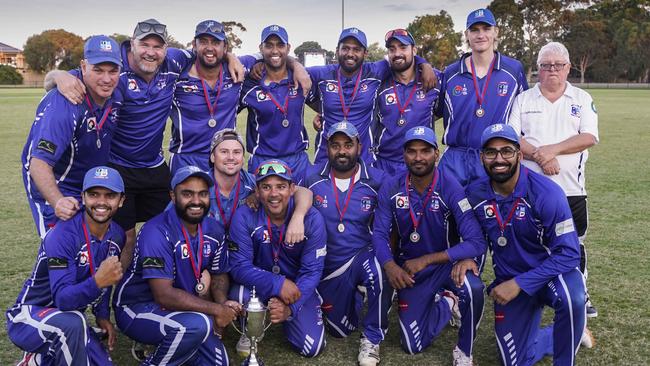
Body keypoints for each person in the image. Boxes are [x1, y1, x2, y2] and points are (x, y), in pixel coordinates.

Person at [45, 18, 245, 271]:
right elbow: (68, 76)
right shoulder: (114, 67)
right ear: (132, 44)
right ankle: (121, 291)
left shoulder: (173, 61)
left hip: (154, 166)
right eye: (145, 45)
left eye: (157, 46)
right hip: (120, 166)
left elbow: (210, 52)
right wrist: (58, 75)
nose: (151, 52)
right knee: (126, 236)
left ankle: (163, 280)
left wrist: (231, 57)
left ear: (165, 49)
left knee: (171, 226)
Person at [464, 124, 590, 365]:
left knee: (572, 299)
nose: (499, 159)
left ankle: (566, 352)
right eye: (491, 152)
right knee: (515, 361)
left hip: (550, 275)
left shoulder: (548, 194)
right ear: (482, 157)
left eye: (507, 151)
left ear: (520, 155)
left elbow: (570, 255)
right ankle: (558, 333)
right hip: (510, 278)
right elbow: (474, 238)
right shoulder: (474, 194)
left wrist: (520, 283)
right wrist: (467, 257)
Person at [372, 126, 487, 365]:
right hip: (411, 272)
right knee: (411, 345)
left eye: (425, 151)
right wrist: (390, 265)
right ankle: (447, 302)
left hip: (445, 265)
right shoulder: (391, 187)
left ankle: (464, 351)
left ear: (436, 153)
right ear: (404, 155)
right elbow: (380, 234)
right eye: (412, 151)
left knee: (473, 288)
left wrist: (428, 259)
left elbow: (476, 240)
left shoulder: (451, 187)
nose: (418, 157)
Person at [113, 165, 241, 365]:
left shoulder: (214, 230)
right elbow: (163, 295)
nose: (196, 201)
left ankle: (171, 347)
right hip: (137, 307)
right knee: (195, 326)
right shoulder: (156, 231)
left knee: (218, 362)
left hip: (183, 308)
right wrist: (216, 310)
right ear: (173, 196)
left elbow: (219, 274)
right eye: (187, 194)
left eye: (203, 194)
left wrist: (222, 302)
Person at [508, 41, 599, 318]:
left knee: (574, 245)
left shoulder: (581, 98)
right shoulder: (523, 99)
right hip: (530, 190)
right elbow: (512, 138)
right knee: (530, 243)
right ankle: (528, 294)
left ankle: (580, 295)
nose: (552, 71)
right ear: (537, 70)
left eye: (558, 65)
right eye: (545, 66)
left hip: (571, 189)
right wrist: (539, 155)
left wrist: (552, 150)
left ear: (568, 68)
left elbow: (589, 137)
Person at [7, 166, 126, 365]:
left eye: (110, 195)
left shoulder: (117, 235)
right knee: (72, 324)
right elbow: (62, 299)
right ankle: (42, 355)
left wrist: (102, 315)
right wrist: (97, 281)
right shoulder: (63, 235)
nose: (102, 202)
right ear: (83, 197)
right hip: (29, 316)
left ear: (121, 200)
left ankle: (42, 358)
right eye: (94, 194)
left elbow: (107, 277)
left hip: (71, 319)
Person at [21, 35, 122, 238]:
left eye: (113, 71)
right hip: (55, 183)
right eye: (98, 70)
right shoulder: (65, 104)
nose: (106, 78)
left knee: (91, 246)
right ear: (83, 67)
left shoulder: (117, 92)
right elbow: (38, 163)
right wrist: (58, 201)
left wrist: (56, 75)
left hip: (88, 183)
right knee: (60, 245)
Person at [304, 122, 387, 366]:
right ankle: (353, 297)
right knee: (340, 330)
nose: (342, 151)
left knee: (381, 267)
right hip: (327, 266)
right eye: (335, 145)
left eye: (348, 145)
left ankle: (372, 337)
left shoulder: (377, 180)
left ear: (359, 147)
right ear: (327, 148)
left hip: (362, 255)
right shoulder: (311, 177)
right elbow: (289, 193)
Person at [228, 159, 327, 358]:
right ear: (257, 191)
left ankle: (292, 313)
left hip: (296, 287)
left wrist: (290, 309)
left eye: (281, 186)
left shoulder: (311, 219)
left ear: (292, 188)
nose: (274, 194)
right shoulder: (244, 215)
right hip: (260, 283)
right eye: (266, 187)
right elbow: (239, 266)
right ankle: (252, 327)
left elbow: (312, 271)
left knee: (312, 348)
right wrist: (277, 283)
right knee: (240, 295)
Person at [307, 27, 437, 165]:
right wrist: (322, 110)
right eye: (345, 48)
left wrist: (424, 64)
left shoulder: (375, 71)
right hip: (326, 158)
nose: (350, 54)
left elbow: (402, 58)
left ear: (365, 53)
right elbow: (292, 71)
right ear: (337, 50)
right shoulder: (320, 74)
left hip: (363, 161)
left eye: (356, 49)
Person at [437, 8, 528, 187]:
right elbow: (436, 111)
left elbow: (526, 114)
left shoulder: (513, 70)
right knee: (449, 212)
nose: (480, 35)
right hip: (455, 160)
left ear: (496, 32)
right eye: (474, 30)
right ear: (467, 35)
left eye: (486, 29)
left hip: (495, 158)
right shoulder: (451, 72)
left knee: (491, 213)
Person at [239, 25, 311, 184]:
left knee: (302, 205)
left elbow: (324, 104)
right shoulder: (250, 84)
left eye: (280, 45)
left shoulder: (301, 79)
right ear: (261, 48)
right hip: (263, 161)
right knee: (264, 208)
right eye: (269, 45)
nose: (275, 50)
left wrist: (321, 116)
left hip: (297, 161)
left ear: (288, 48)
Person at [374, 29, 442, 176]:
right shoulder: (379, 82)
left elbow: (444, 111)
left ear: (414, 50)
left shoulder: (434, 80)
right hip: (384, 164)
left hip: (420, 163)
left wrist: (424, 64)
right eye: (392, 49)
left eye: (403, 48)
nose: (397, 53)